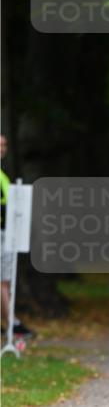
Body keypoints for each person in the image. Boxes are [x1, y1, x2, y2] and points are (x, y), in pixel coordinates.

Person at [0, 134, 33, 338]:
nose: (3, 148)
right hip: (2, 232)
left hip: (6, 231)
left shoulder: (2, 174)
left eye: (5, 144)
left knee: (5, 279)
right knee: (3, 280)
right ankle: (12, 323)